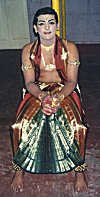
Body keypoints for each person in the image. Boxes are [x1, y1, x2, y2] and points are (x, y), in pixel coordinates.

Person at [10, 7, 88, 193]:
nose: (47, 27)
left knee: (77, 126)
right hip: (37, 90)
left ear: (57, 26)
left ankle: (80, 171)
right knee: (20, 125)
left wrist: (59, 97)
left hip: (65, 89)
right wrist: (43, 96)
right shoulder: (28, 50)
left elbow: (72, 81)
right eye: (42, 23)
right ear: (35, 28)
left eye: (51, 22)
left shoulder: (70, 48)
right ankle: (19, 169)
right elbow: (29, 82)